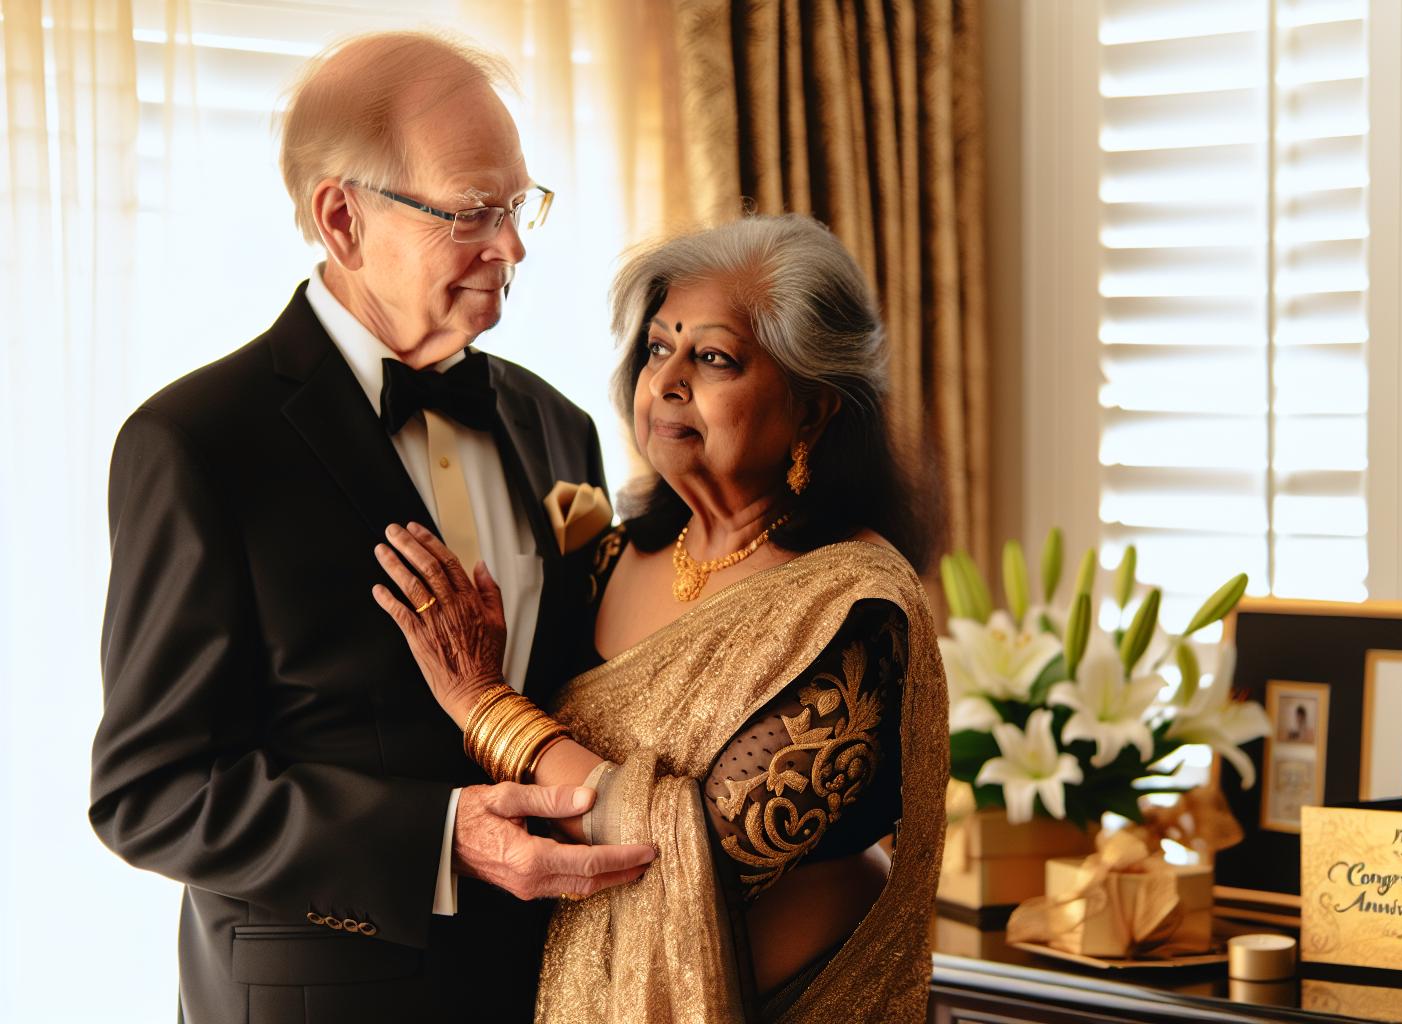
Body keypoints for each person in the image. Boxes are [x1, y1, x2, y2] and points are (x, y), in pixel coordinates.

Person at [90, 32, 654, 1023]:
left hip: (552, 986)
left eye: (520, 207)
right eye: (475, 210)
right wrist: (440, 836)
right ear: (343, 219)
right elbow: (151, 789)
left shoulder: (557, 424)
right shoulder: (197, 442)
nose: (512, 246)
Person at [371, 214, 949, 1022]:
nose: (667, 380)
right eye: (656, 348)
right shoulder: (605, 560)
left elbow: (701, 851)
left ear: (812, 411)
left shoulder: (850, 605)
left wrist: (485, 707)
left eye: (712, 357)